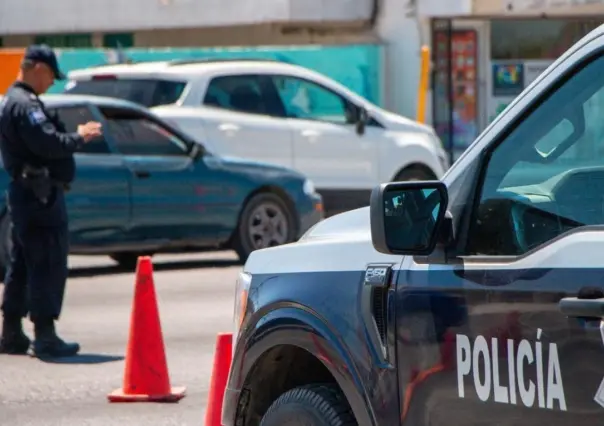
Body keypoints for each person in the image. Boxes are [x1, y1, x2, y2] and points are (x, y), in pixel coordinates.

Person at [0, 45, 102, 357]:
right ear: (40, 69)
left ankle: (11, 331)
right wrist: (79, 137)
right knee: (46, 261)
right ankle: (44, 335)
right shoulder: (26, 105)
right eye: (50, 78)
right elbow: (47, 143)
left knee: (22, 263)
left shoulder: (9, 102)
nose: (50, 84)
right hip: (39, 196)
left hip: (27, 194)